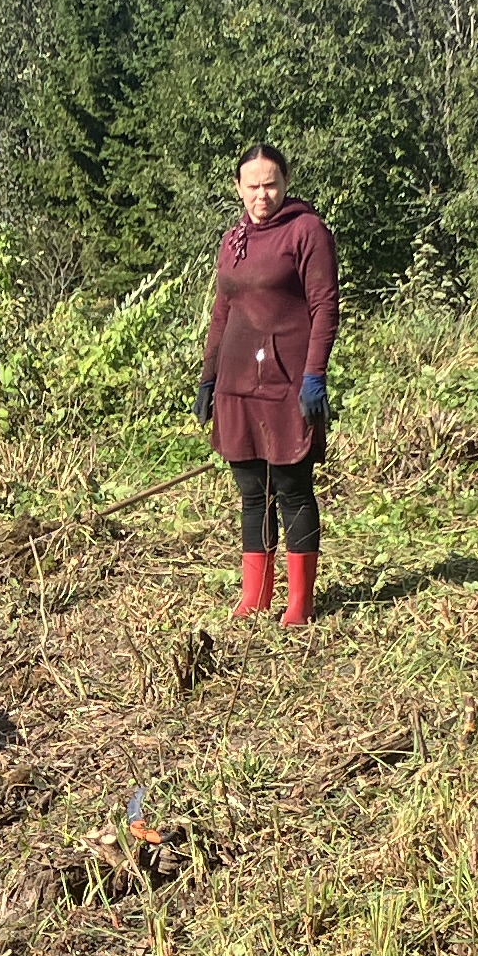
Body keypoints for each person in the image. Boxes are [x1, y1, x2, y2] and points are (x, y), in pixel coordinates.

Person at [197, 143, 338, 625]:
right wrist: (209, 377)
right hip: (237, 382)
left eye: (270, 183)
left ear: (286, 183)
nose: (262, 194)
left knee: (292, 487)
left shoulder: (307, 231)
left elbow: (325, 307)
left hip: (287, 383)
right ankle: (255, 595)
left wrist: (314, 375)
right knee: (253, 492)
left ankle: (299, 603)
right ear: (239, 188)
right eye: (253, 185)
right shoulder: (233, 240)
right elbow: (222, 313)